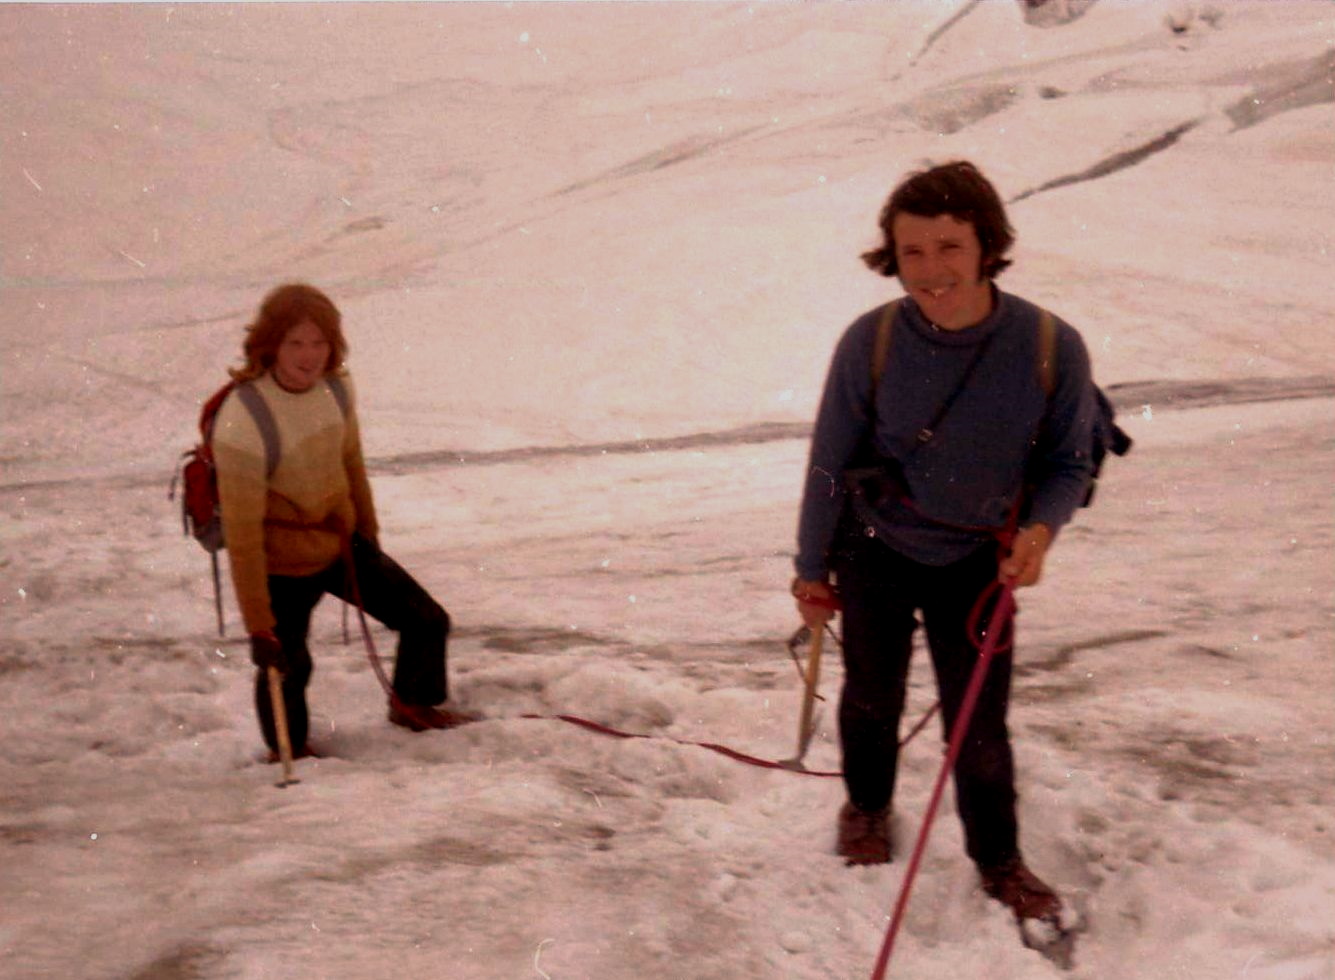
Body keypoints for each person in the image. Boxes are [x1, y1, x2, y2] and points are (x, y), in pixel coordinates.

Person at [791, 161, 1094, 923]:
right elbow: (830, 461)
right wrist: (809, 569)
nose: (929, 270)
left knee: (977, 721)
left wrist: (1040, 529)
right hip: (875, 550)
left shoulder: (1050, 345)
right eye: (912, 252)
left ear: (985, 245)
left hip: (977, 566)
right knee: (869, 695)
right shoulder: (872, 341)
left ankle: (998, 858)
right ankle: (864, 806)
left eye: (948, 247)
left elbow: (1068, 461)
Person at [212, 283, 477, 757]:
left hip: (339, 543)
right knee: (287, 664)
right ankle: (287, 751)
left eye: (319, 342)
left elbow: (351, 462)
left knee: (426, 619)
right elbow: (244, 534)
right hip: (279, 565)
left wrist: (369, 536)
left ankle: (413, 705)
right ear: (270, 343)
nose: (309, 356)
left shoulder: (336, 387)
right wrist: (259, 626)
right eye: (296, 342)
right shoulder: (243, 420)